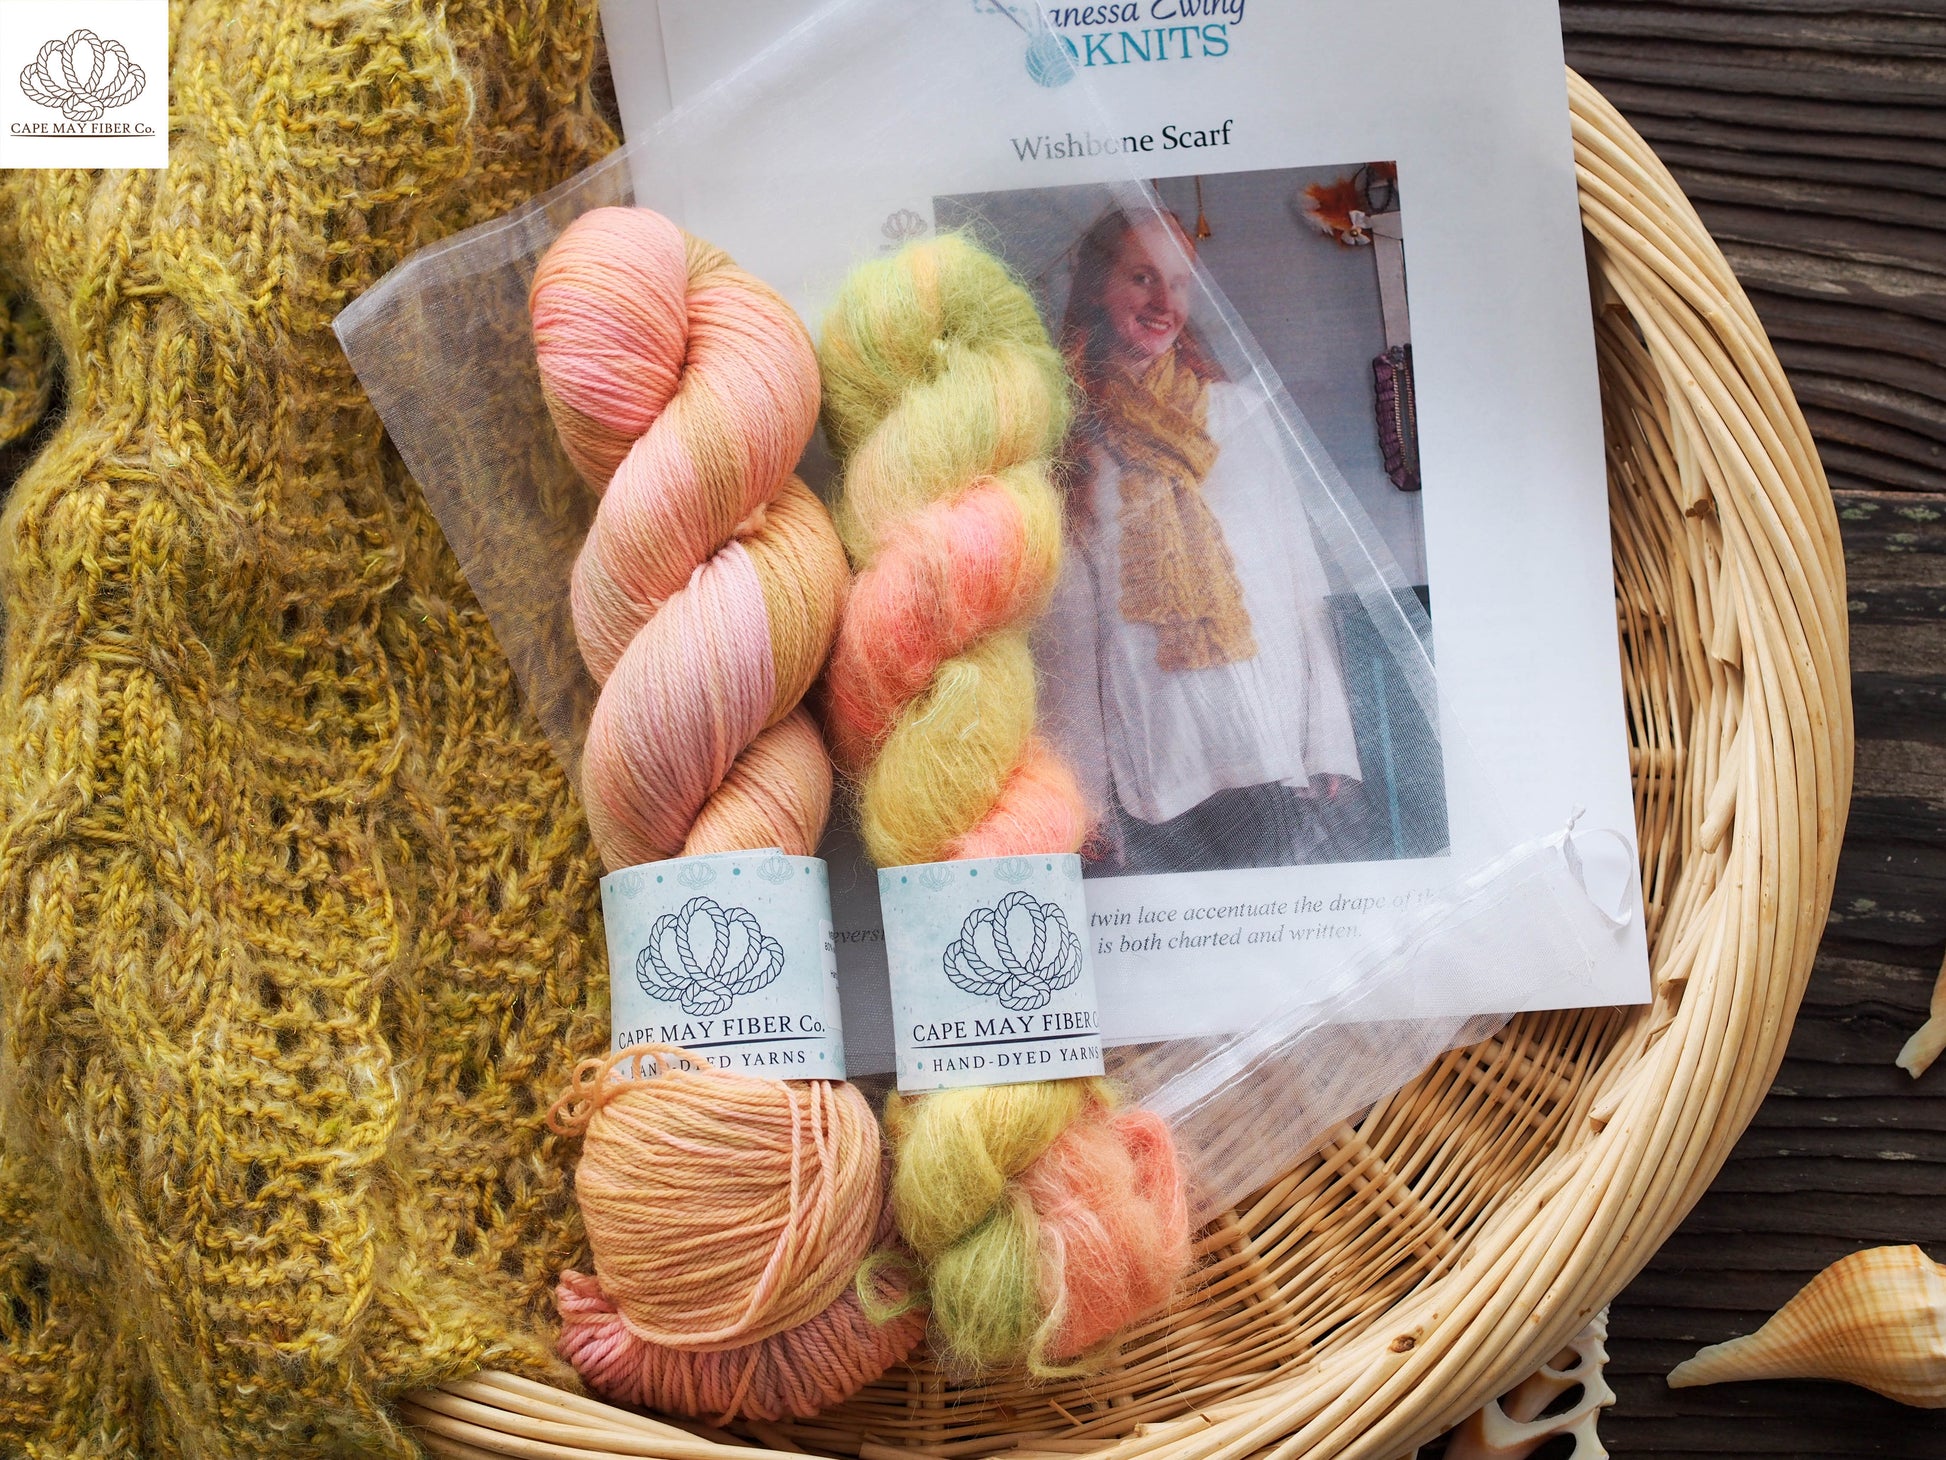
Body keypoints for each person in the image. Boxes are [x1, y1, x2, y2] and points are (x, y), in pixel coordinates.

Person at [1037, 208, 1363, 873]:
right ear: (1098, 285)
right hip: (1159, 770)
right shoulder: (1070, 440)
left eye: (1180, 283)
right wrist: (1084, 800)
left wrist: (1330, 740)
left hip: (1273, 751)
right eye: (1142, 277)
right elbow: (1067, 636)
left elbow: (1301, 585)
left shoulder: (1238, 414)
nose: (1165, 302)